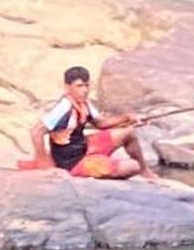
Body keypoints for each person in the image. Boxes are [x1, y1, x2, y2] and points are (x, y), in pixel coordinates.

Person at [22, 65, 157, 179]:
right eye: (79, 86)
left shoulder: (83, 103)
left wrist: (128, 118)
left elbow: (100, 123)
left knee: (129, 133)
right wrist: (45, 166)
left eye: (87, 85)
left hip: (84, 147)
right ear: (67, 87)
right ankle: (134, 168)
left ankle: (145, 172)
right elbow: (36, 131)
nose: (85, 90)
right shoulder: (63, 108)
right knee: (132, 166)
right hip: (73, 162)